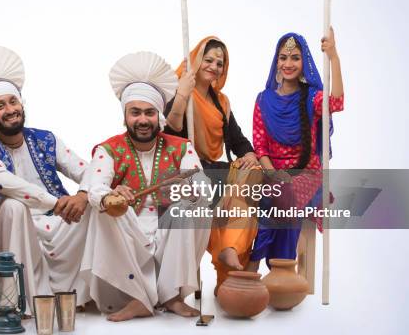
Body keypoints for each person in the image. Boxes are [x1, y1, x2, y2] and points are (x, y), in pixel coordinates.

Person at [81, 51, 210, 322]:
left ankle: (172, 296)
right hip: (127, 230)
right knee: (104, 210)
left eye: (149, 112)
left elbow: (202, 183)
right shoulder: (109, 149)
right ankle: (138, 296)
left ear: (159, 116)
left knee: (196, 207)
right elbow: (96, 187)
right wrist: (111, 197)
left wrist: (188, 189)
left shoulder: (181, 147)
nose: (142, 120)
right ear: (125, 115)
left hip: (167, 229)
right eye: (135, 112)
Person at [0, 46, 91, 315]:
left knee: (95, 201)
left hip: (57, 220)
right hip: (15, 226)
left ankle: (86, 295)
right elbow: (4, 181)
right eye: (0, 106)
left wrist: (81, 196)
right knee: (13, 206)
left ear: (22, 104)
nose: (10, 110)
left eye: (13, 102)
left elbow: (86, 170)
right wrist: (56, 202)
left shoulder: (45, 139)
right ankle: (18, 302)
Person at [164, 36, 259, 294]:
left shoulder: (222, 101)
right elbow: (170, 129)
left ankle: (227, 254)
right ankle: (227, 267)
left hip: (216, 169)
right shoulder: (179, 90)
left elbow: (238, 139)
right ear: (196, 60)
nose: (214, 66)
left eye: (220, 63)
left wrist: (249, 154)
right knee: (232, 209)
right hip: (188, 169)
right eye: (208, 60)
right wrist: (182, 93)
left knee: (252, 183)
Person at [248, 30, 344, 270]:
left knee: (284, 196)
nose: (288, 64)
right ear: (276, 61)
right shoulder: (263, 100)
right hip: (272, 173)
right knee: (250, 195)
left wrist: (333, 57)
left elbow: (337, 103)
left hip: (307, 174)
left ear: (304, 63)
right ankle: (264, 268)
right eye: (283, 58)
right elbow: (260, 146)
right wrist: (272, 174)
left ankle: (272, 266)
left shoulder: (312, 98)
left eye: (295, 58)